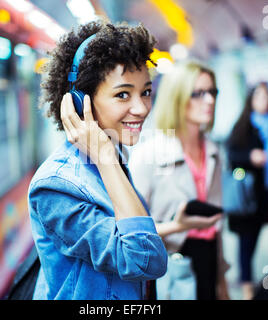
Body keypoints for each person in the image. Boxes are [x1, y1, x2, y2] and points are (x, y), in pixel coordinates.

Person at [28, 21, 168, 300]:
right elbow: (144, 260)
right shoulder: (57, 187)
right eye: (122, 94)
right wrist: (105, 158)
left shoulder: (109, 158)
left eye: (146, 92)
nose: (141, 108)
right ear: (81, 102)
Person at [130, 59, 230, 300]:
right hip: (169, 263)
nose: (210, 100)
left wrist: (222, 283)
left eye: (212, 92)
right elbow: (130, 230)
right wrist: (180, 225)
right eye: (198, 93)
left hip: (209, 258)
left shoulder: (215, 152)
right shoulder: (150, 154)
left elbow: (215, 224)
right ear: (177, 97)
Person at [226, 83, 268, 299]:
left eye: (266, 95)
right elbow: (232, 156)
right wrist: (250, 157)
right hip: (249, 197)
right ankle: (246, 288)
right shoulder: (244, 126)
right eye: (259, 95)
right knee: (247, 244)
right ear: (250, 99)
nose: (263, 99)